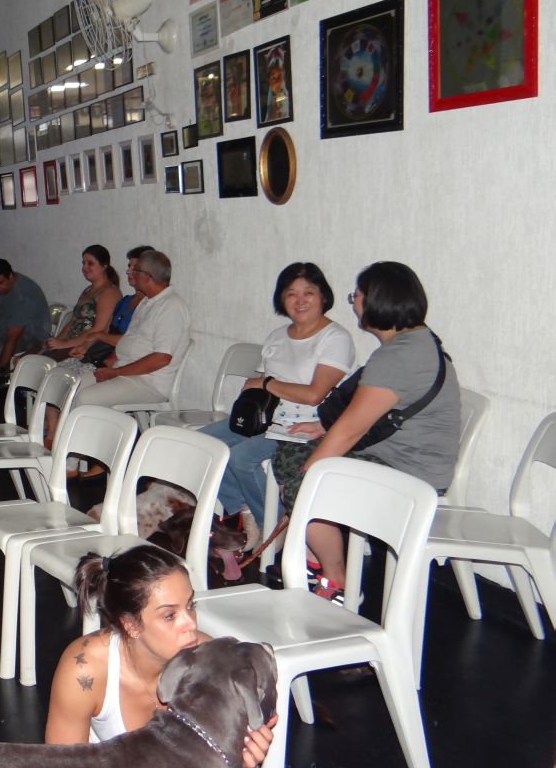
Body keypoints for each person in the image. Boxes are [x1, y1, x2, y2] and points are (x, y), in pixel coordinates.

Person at [271, 261, 461, 601]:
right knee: (291, 454)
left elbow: (351, 430)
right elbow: (374, 412)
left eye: (356, 295)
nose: (354, 302)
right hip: (394, 456)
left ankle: (338, 581)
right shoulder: (412, 343)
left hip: (411, 474)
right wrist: (322, 430)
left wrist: (311, 469)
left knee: (305, 482)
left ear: (379, 300)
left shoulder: (398, 357)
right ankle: (317, 559)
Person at [45, 544, 274, 768]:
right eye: (169, 615)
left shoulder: (211, 665)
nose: (191, 624)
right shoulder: (86, 670)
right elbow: (60, 767)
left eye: (190, 605)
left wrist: (243, 766)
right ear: (131, 625)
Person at [198, 263, 354, 545]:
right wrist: (258, 387)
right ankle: (244, 509)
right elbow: (258, 384)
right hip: (266, 418)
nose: (300, 300)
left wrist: (267, 383)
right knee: (202, 445)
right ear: (282, 299)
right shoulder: (278, 336)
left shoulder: (335, 338)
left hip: (304, 425)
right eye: (291, 293)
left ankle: (271, 526)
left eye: (308, 292)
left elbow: (314, 394)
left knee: (240, 458)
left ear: (323, 296)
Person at [73, 250, 190, 411]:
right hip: (125, 371)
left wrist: (117, 372)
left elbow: (161, 358)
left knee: (86, 398)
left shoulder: (171, 307)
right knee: (75, 385)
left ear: (147, 276)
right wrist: (112, 364)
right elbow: (130, 339)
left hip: (148, 382)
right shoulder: (147, 302)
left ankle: (95, 428)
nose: (131, 273)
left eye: (136, 270)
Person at [43, 245, 122, 361]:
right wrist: (56, 341)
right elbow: (71, 323)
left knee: (42, 363)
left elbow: (99, 329)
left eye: (90, 263)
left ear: (104, 266)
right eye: (83, 263)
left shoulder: (110, 292)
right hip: (69, 344)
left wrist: (64, 344)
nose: (84, 267)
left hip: (85, 347)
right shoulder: (87, 290)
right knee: (33, 355)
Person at [0, 258, 50, 370]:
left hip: (31, 338)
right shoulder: (3, 288)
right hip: (6, 332)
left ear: (10, 276)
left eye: (0, 283)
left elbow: (12, 338)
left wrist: (0, 370)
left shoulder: (24, 297)